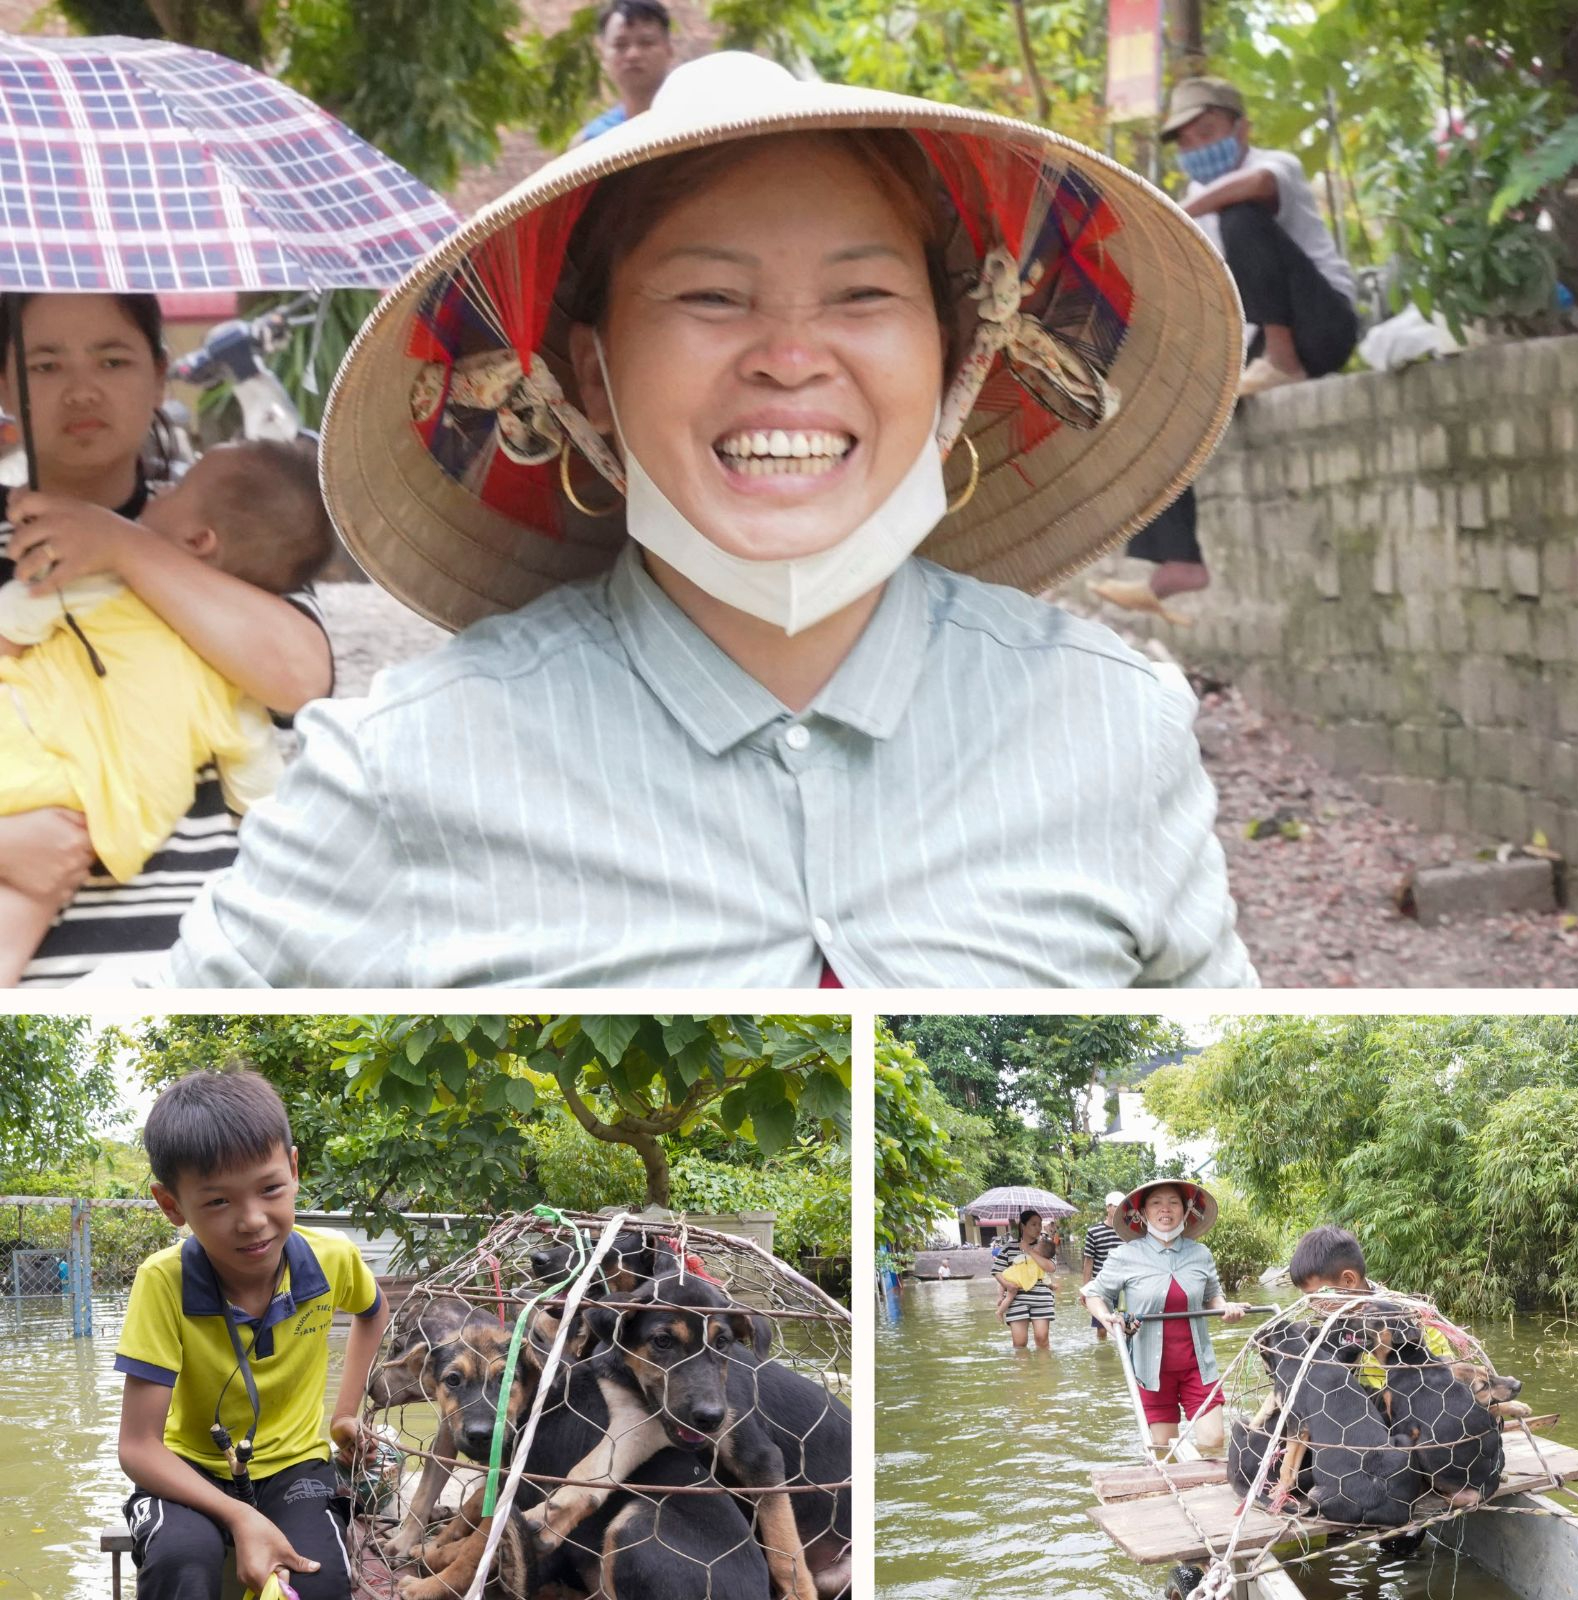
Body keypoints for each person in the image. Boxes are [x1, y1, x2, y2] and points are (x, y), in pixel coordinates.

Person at [160, 51, 1251, 988]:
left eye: (862, 296)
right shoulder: (402, 766)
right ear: (588, 374)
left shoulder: (1114, 724)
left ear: (960, 355)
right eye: (710, 298)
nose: (787, 354)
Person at [0, 291, 333, 986]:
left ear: (159, 375)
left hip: (199, 971)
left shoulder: (229, 529)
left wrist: (122, 547)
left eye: (112, 359)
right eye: (46, 365)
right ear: (5, 382)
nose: (82, 388)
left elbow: (301, 679)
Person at [1092, 76, 1361, 623]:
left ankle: (1282, 360)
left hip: (1322, 324)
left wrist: (1176, 215)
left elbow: (1255, 185)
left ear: (1242, 129)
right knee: (1154, 393)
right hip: (1252, 342)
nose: (1196, 148)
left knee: (1241, 215)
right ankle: (1177, 560)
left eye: (1207, 132)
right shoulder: (1194, 208)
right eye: (1186, 142)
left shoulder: (1272, 165)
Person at [114, 1068, 388, 1600]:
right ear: (172, 1205)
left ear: (293, 1168)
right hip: (187, 1470)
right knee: (181, 1564)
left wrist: (344, 1415)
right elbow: (139, 1446)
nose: (252, 1220)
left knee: (320, 1578)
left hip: (296, 1466)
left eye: (270, 1189)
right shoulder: (162, 1281)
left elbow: (372, 1313)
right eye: (218, 1202)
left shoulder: (333, 1259)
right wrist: (240, 1515)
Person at [1083, 1179, 1245, 1453]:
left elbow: (1213, 1295)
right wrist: (1108, 1320)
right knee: (1163, 1448)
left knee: (1214, 1441)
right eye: (1156, 1203)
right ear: (1143, 1213)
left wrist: (1226, 1308)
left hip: (1198, 1367)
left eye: (1173, 1202)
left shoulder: (1200, 1253)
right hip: (1150, 1371)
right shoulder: (1125, 1255)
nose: (1165, 1209)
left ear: (1185, 1210)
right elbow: (1093, 1295)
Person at [1287, 1223, 1456, 1384]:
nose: (1313, 1306)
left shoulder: (1406, 1315)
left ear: (1349, 1280)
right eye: (1308, 1299)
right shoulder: (1335, 1320)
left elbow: (1448, 1373)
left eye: (1316, 1296)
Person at [571, 0, 675, 146]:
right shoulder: (591, 142)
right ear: (602, 55)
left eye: (646, 42)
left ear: (669, 50)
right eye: (620, 45)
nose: (633, 54)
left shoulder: (698, 126)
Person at [991, 1210, 1058, 1349]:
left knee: (1042, 1339)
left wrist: (1029, 1251)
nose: (1038, 1228)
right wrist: (1007, 1285)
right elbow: (997, 1271)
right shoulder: (1009, 1247)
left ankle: (1044, 1370)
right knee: (1019, 1343)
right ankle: (1024, 1371)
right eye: (1033, 1224)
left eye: (1039, 1224)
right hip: (1016, 1298)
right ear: (1023, 1226)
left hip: (1041, 1298)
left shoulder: (1045, 1246)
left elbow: (1051, 1267)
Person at [1080, 1190, 1123, 1342]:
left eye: (1121, 1207)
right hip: (1101, 1285)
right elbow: (1088, 1262)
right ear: (1108, 1208)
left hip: (1125, 1285)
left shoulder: (1128, 1232)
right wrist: (1085, 1290)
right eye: (1115, 1206)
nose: (1118, 1210)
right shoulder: (1094, 1231)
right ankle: (1103, 1355)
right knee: (1102, 1329)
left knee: (1130, 1325)